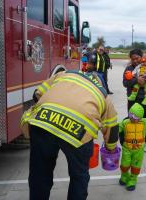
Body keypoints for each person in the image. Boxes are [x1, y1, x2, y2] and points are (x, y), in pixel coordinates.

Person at [20, 70, 119, 200]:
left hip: (43, 123)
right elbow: (112, 127)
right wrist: (111, 149)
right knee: (79, 176)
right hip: (77, 132)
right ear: (101, 84)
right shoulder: (103, 95)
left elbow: (37, 93)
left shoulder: (63, 74)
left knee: (40, 172)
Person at [123, 49, 146, 152]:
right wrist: (136, 80)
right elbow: (125, 83)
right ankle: (132, 140)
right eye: (133, 59)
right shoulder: (129, 68)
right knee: (132, 120)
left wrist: (145, 79)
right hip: (133, 99)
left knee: (145, 120)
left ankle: (145, 142)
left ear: (142, 57)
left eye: (137, 58)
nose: (135, 61)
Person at [119, 103, 146, 191]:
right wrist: (108, 127)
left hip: (138, 150)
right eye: (130, 115)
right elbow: (117, 128)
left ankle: (132, 180)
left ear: (140, 117)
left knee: (136, 167)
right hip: (127, 149)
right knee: (124, 164)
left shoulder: (144, 122)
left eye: (135, 117)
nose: (132, 118)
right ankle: (124, 177)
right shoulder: (125, 122)